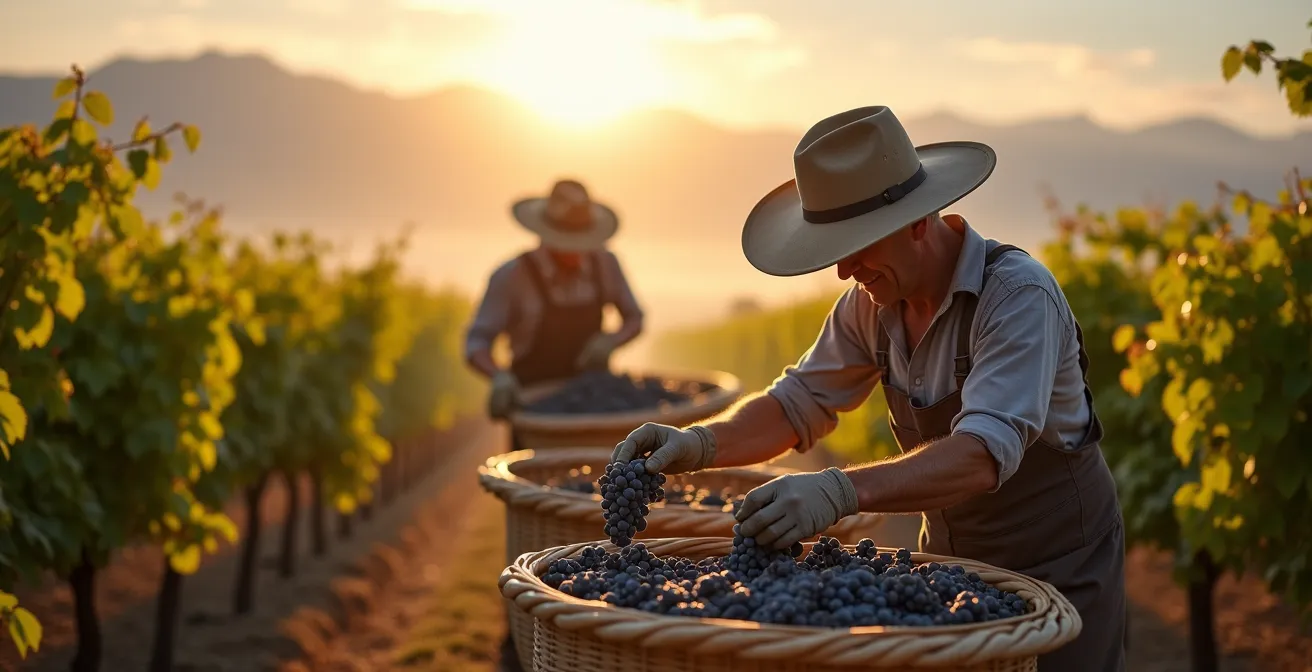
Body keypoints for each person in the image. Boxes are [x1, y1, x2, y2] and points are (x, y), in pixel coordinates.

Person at [611, 106, 1126, 670]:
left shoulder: (1016, 297)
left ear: (918, 220)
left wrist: (838, 491)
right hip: (954, 573)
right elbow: (796, 404)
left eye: (857, 243)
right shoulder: (869, 305)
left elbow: (982, 455)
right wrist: (699, 444)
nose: (843, 270)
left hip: (1059, 566)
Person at [465, 178, 645, 431]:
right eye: (567, 243)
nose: (576, 251)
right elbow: (477, 341)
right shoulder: (512, 277)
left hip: (598, 402)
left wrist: (611, 341)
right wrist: (498, 376)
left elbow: (635, 318)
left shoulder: (605, 265)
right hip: (535, 408)